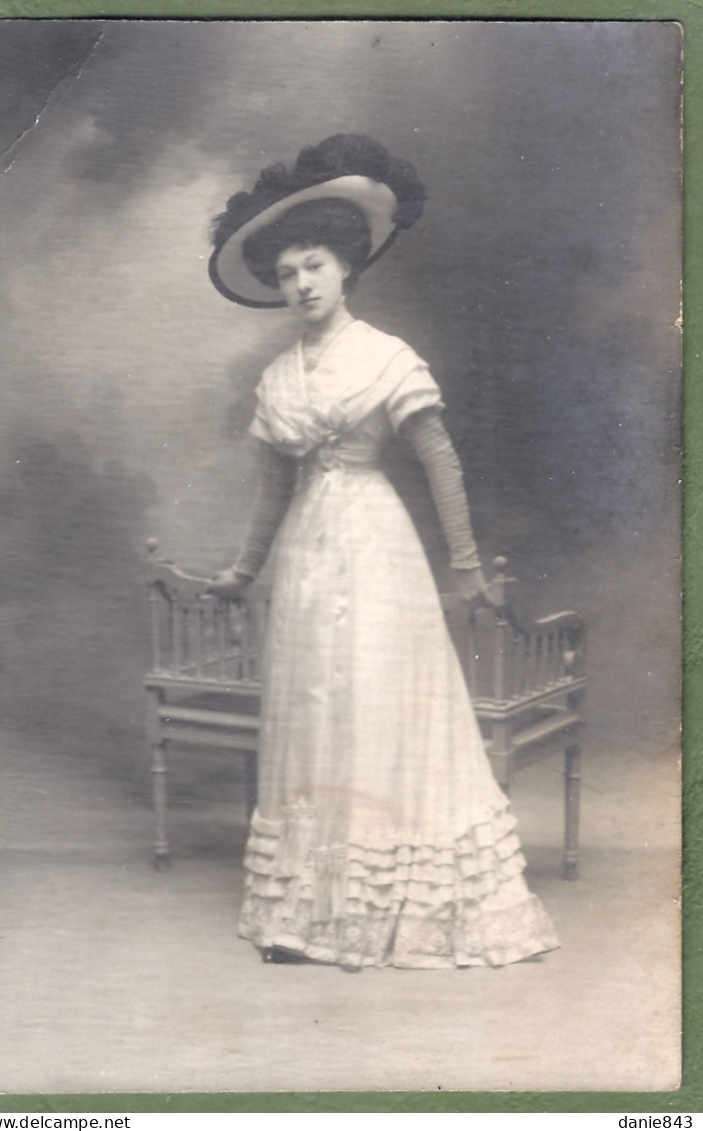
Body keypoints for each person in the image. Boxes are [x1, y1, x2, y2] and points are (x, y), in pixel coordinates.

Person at [207, 134, 559, 969]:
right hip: (305, 558)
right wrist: (245, 570)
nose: (301, 284)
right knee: (312, 714)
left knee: (374, 708)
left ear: (347, 268)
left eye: (314, 266)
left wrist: (465, 563)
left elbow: (440, 458)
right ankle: (306, 912)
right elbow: (271, 490)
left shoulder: (386, 357)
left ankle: (385, 906)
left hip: (377, 550)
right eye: (287, 273)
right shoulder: (279, 378)